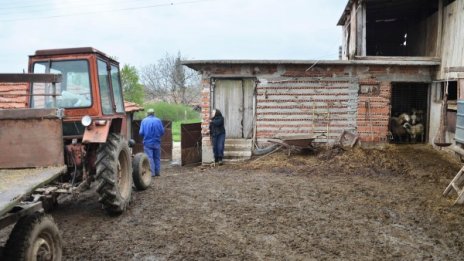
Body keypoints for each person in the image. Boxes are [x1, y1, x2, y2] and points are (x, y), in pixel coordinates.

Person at [139, 108, 165, 176]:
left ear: (147, 114)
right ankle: (157, 172)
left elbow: (141, 132)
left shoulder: (144, 121)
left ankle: (152, 173)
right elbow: (162, 132)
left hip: (147, 142)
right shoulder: (158, 120)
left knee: (149, 158)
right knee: (157, 157)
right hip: (157, 142)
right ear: (154, 113)